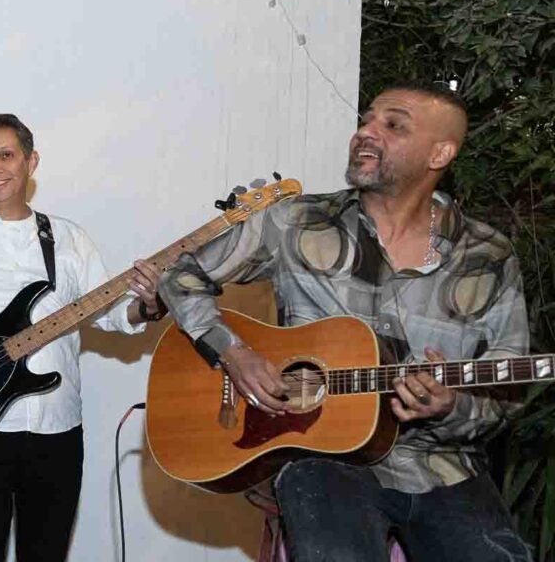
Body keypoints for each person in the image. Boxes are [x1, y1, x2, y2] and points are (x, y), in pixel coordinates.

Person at [161, 83, 532, 561]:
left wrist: (450, 408)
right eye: (367, 119)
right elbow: (180, 275)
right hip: (322, 461)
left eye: (393, 125)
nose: (365, 132)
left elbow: (506, 392)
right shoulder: (295, 221)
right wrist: (232, 352)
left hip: (442, 466)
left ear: (439, 154)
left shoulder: (488, 256)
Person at [0, 114, 165, 562]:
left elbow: (111, 315)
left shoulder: (68, 239)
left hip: (57, 427)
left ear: (31, 161)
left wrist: (149, 305)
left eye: (6, 155)